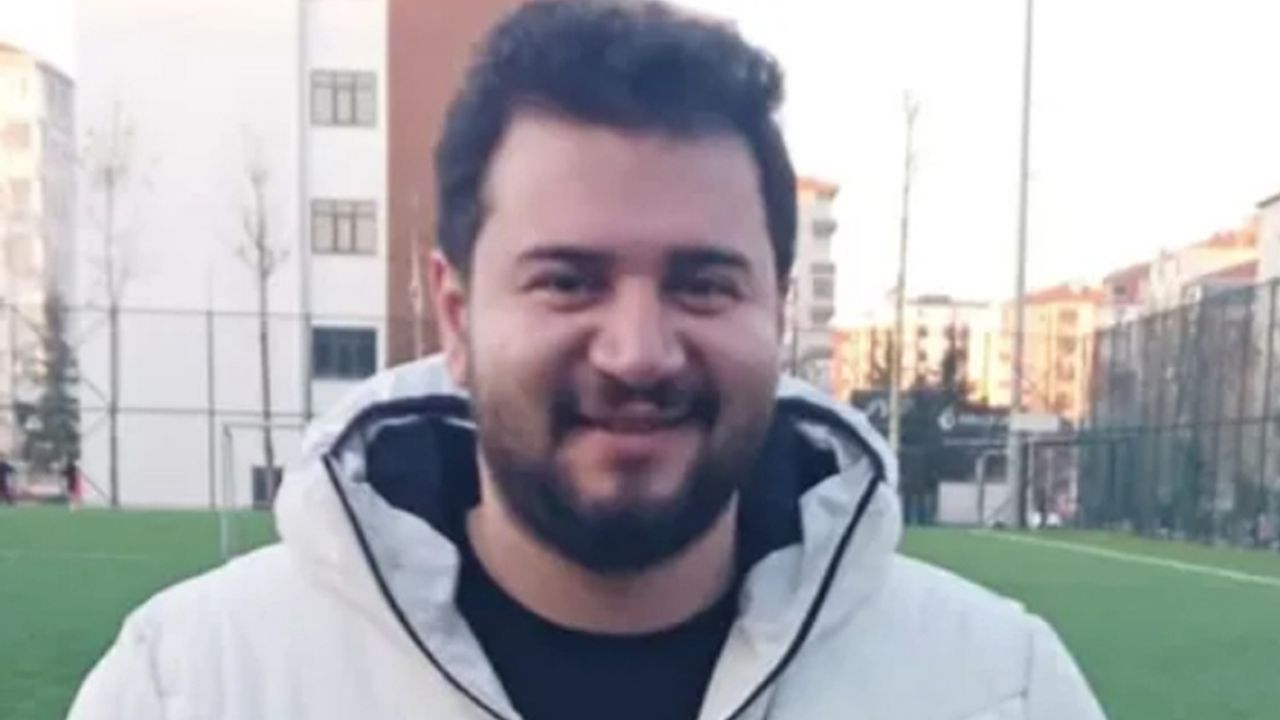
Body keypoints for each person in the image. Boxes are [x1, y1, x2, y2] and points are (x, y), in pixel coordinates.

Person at [70, 2, 1105, 718]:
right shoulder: (193, 686)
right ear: (455, 315)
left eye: (703, 283)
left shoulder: (996, 691)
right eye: (567, 280)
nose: (638, 352)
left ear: (777, 311)